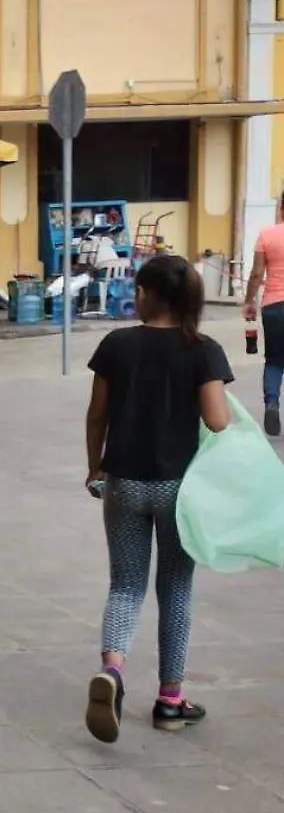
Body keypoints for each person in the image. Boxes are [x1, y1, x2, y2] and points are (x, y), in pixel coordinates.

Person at [82, 255, 229, 743]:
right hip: (177, 489)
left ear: (150, 294)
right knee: (175, 589)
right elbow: (217, 421)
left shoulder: (116, 345)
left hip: (124, 482)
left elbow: (96, 414)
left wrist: (94, 466)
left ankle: (114, 669)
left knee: (125, 586)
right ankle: (170, 700)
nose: (135, 297)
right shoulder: (202, 349)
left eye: (138, 290)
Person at [242, 195, 284, 436]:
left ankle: (271, 402)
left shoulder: (266, 234)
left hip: (274, 306)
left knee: (275, 360)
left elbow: (257, 274)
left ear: (281, 208)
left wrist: (249, 301)